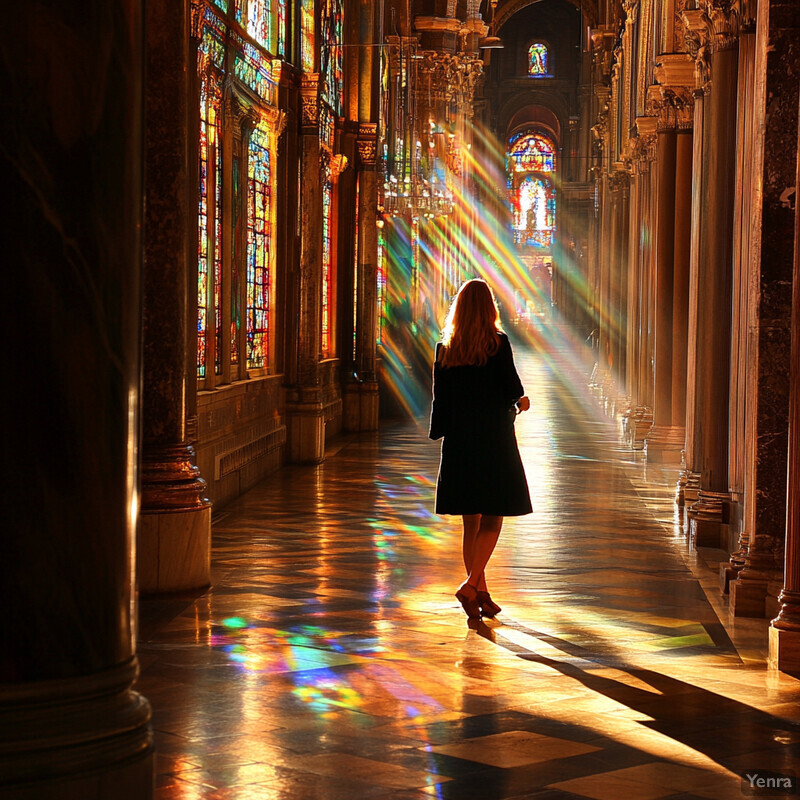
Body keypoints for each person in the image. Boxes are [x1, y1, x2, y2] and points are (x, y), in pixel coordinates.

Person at [429, 279, 532, 620]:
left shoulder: (444, 348)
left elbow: (440, 400)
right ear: (490, 308)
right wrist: (521, 403)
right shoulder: (497, 343)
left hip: (460, 442)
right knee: (493, 515)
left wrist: (441, 431)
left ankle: (481, 593)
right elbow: (511, 389)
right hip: (493, 440)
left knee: (469, 523)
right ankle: (471, 584)